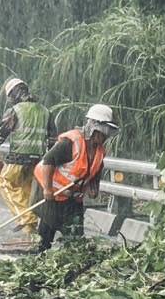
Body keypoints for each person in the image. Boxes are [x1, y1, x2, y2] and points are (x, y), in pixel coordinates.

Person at [33, 103, 117, 252]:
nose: (104, 137)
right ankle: (39, 258)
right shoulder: (71, 142)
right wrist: (47, 189)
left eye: (107, 134)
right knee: (46, 235)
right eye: (102, 133)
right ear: (93, 128)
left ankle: (71, 260)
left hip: (73, 198)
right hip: (53, 194)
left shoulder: (99, 150)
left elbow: (96, 171)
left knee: (75, 238)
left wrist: (93, 188)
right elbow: (48, 161)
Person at [0, 77, 53, 238]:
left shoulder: (15, 111)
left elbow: (1, 134)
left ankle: (27, 218)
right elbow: (53, 140)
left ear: (13, 94)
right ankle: (31, 233)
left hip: (18, 158)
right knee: (25, 191)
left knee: (4, 183)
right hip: (38, 161)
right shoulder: (45, 111)